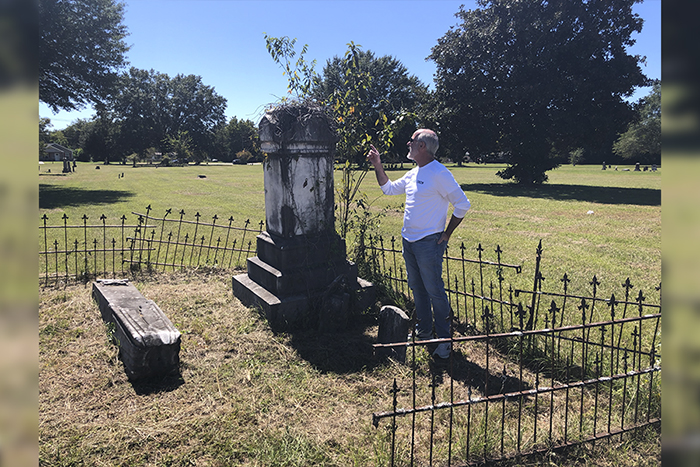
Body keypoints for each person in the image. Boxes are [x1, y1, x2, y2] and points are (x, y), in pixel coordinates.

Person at [367, 129, 471, 359]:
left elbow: (462, 204)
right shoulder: (414, 173)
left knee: (435, 292)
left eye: (412, 140)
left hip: (428, 242)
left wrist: (447, 233)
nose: (408, 142)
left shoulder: (439, 173)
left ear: (422, 146)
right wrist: (378, 164)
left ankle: (444, 341)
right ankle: (424, 332)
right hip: (409, 240)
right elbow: (389, 189)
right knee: (418, 290)